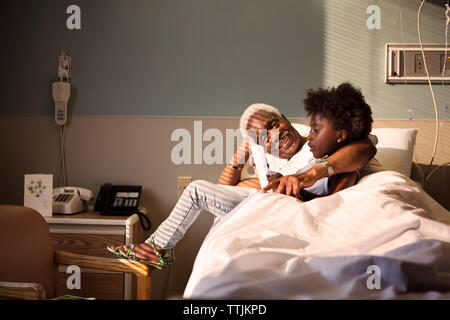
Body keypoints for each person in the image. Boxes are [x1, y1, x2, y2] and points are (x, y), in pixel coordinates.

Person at [107, 85, 377, 270]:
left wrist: (311, 173)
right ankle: (157, 248)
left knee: (198, 190)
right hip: (265, 202)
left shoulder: (317, 144)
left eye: (274, 124)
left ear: (284, 118)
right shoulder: (269, 158)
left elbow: (365, 147)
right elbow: (222, 192)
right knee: (199, 191)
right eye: (264, 135)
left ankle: (157, 249)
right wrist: (244, 151)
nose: (275, 134)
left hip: (285, 208)